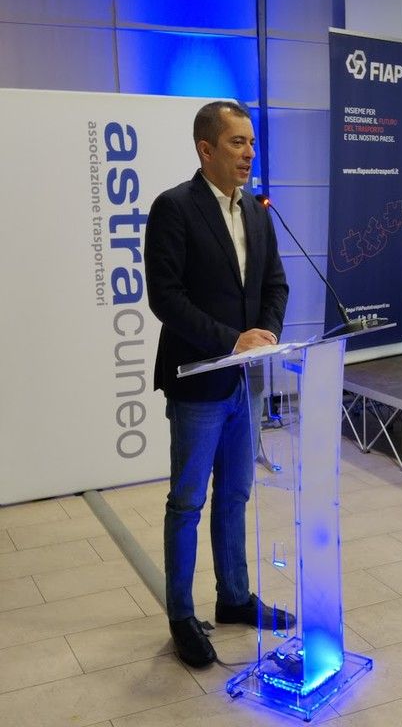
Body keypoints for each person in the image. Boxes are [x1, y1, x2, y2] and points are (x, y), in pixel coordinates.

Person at [144, 100, 293, 668]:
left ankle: (233, 597)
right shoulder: (174, 208)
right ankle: (182, 617)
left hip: (246, 383)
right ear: (205, 149)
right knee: (187, 501)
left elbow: (275, 284)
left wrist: (267, 335)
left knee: (236, 494)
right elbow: (166, 297)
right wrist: (232, 341)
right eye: (237, 142)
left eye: (251, 142)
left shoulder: (257, 209)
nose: (249, 152)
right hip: (198, 382)